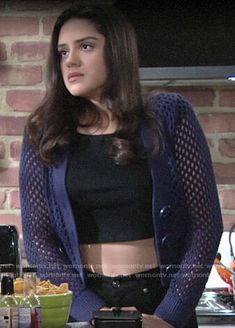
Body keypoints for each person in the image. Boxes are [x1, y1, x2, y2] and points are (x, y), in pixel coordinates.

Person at [19, 4, 223, 328]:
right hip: (85, 305)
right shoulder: (43, 132)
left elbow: (205, 225)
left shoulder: (169, 114)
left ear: (117, 50)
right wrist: (95, 315)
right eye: (62, 51)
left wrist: (168, 317)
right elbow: (40, 243)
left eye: (85, 46)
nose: (70, 60)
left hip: (162, 302)